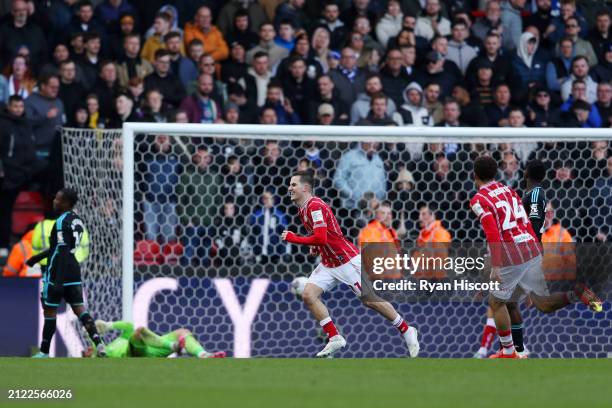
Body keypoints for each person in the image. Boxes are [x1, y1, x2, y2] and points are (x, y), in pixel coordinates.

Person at [469, 156, 603, 358]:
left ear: (474, 175)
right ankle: (575, 293)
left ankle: (508, 351)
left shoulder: (479, 199)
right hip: (530, 247)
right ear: (495, 173)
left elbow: (493, 234)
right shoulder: (509, 190)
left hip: (512, 252)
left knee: (496, 302)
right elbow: (525, 221)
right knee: (539, 303)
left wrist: (496, 266)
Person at [281, 169, 419, 358]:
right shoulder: (303, 209)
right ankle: (334, 337)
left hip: (346, 260)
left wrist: (294, 238)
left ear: (306, 187)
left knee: (370, 300)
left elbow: (321, 238)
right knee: (308, 295)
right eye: (290, 184)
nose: (290, 188)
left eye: (293, 184)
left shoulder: (315, 206)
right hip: (329, 263)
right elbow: (323, 237)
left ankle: (406, 329)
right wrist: (316, 247)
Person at [25, 188, 106, 358]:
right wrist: (36, 258)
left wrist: (58, 282)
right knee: (80, 310)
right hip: (74, 271)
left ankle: (44, 352)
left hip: (58, 271)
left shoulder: (61, 222)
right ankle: (99, 344)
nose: (54, 200)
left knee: (49, 310)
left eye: (58, 199)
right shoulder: (77, 221)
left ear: (66, 203)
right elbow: (62, 247)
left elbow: (60, 252)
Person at [0, 95, 36, 257]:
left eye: (20, 107)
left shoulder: (26, 123)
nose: (18, 110)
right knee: (4, 210)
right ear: (9, 107)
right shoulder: (3, 124)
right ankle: (3, 245)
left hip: (25, 172)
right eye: (15, 107)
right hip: (7, 174)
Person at [88, 320, 225, 358]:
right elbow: (95, 351)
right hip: (134, 355)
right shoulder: (102, 351)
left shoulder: (117, 341)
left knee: (182, 332)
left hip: (153, 348)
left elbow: (128, 326)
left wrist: (108, 325)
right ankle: (174, 346)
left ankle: (203, 355)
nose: (86, 350)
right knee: (138, 334)